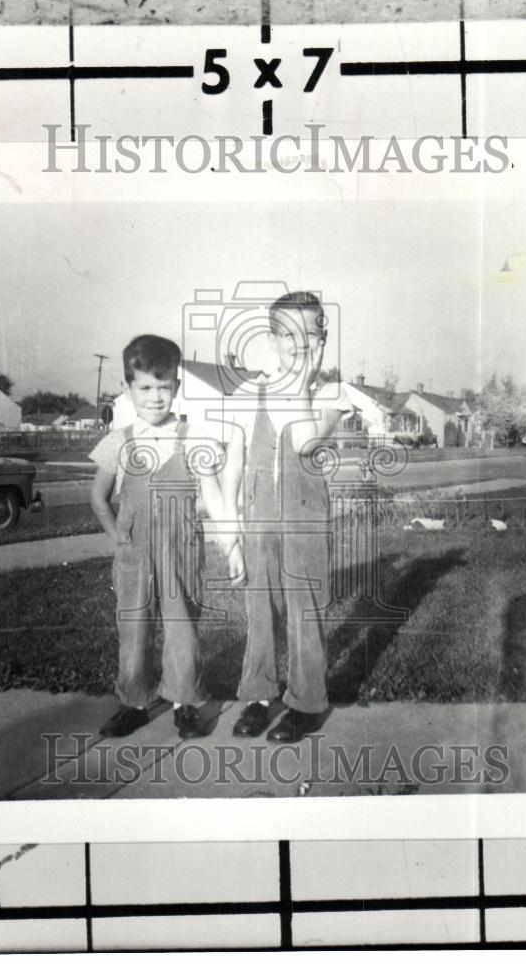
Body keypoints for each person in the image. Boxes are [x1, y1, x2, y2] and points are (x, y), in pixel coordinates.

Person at [89, 334, 244, 740]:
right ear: (128, 388)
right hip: (134, 558)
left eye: (164, 386)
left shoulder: (193, 437)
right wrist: (118, 539)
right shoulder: (118, 442)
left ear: (176, 385)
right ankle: (133, 703)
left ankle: (184, 705)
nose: (155, 397)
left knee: (182, 630)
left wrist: (231, 545)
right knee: (133, 630)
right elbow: (98, 497)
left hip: (180, 554)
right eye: (145, 387)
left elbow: (212, 494)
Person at [222, 292, 352, 743]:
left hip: (306, 521)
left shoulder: (331, 394)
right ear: (272, 339)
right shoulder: (248, 392)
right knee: (260, 612)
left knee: (304, 612)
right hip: (258, 521)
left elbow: (302, 442)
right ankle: (259, 696)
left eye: (309, 334)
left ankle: (306, 702)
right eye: (288, 335)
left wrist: (301, 383)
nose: (298, 345)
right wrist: (229, 538)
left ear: (324, 337)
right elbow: (233, 464)